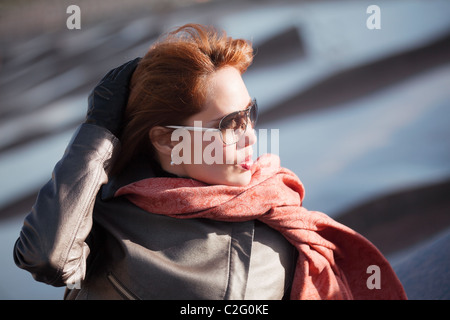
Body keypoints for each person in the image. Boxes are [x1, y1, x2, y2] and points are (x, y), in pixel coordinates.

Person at [13, 24, 406, 300]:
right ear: (168, 141)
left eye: (250, 113)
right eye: (231, 123)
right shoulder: (114, 204)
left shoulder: (272, 244)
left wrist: (99, 132)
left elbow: (49, 255)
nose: (251, 134)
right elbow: (45, 257)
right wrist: (100, 130)